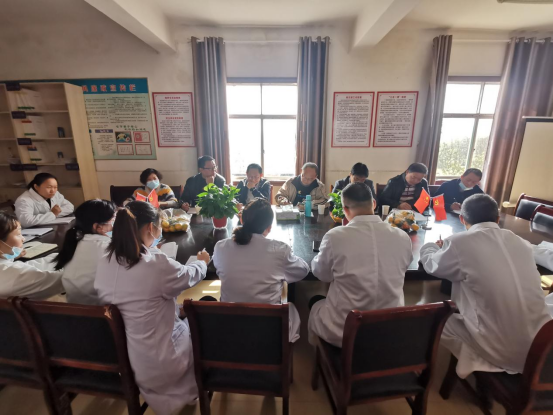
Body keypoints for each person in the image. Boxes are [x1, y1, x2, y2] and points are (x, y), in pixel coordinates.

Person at [95, 201, 210, 415]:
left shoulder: (105, 260)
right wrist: (202, 262)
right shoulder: (155, 263)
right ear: (150, 228)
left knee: (181, 310)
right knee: (205, 309)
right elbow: (189, 275)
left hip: (132, 359)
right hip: (166, 361)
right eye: (159, 226)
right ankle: (196, 387)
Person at [420, 194, 551, 378]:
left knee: (436, 318)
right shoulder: (521, 243)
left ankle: (476, 361)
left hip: (505, 351)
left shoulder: (459, 242)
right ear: (497, 219)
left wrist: (430, 247)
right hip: (543, 346)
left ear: (462, 219)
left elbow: (433, 266)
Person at [308, 183, 412, 347]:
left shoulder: (336, 236)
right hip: (388, 327)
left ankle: (322, 353)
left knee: (315, 303)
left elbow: (323, 275)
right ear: (374, 204)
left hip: (345, 330)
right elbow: (403, 267)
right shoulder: (402, 237)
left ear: (345, 209)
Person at [213, 199, 309, 342]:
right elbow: (303, 271)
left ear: (241, 219)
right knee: (292, 309)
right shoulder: (279, 250)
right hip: (268, 332)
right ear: (269, 227)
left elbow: (218, 268)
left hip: (230, 328)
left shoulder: (221, 247)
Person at [54, 199, 117, 305]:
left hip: (76, 306)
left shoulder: (77, 242)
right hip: (102, 309)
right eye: (114, 220)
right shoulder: (107, 247)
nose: (117, 224)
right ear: (98, 227)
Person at [0, 211, 64, 299]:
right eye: (18, 234)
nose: (23, 239)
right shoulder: (14, 275)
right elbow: (64, 279)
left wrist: (63, 256)